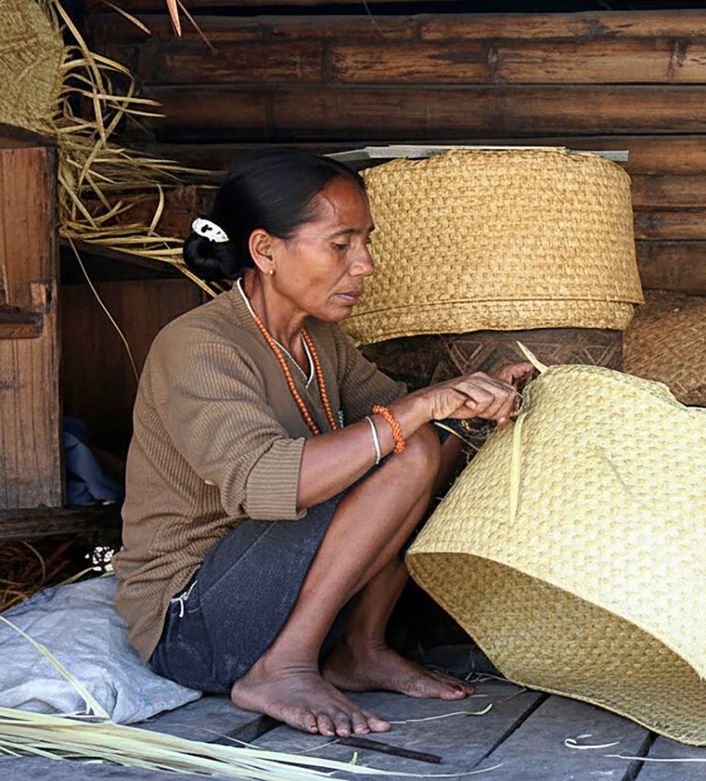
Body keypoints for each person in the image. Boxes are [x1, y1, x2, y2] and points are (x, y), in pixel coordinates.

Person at [114, 149, 535, 737]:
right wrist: (421, 407)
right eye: (341, 244)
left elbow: (407, 419)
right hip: (195, 624)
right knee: (408, 444)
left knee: (433, 445)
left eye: (365, 242)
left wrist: (471, 395)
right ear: (265, 251)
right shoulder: (198, 347)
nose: (363, 264)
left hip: (272, 601)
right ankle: (281, 666)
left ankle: (357, 649)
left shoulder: (319, 342)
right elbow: (266, 484)